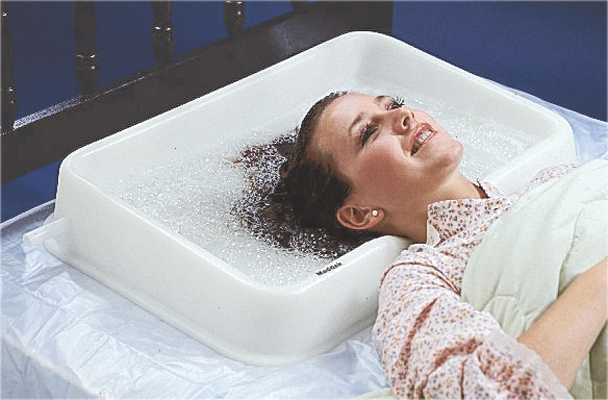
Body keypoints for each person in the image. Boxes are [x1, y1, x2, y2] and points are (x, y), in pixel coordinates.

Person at [281, 91, 607, 398]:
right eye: (368, 132)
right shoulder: (417, 277)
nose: (403, 115)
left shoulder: (552, 180)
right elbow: (484, 392)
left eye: (393, 104)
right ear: (359, 214)